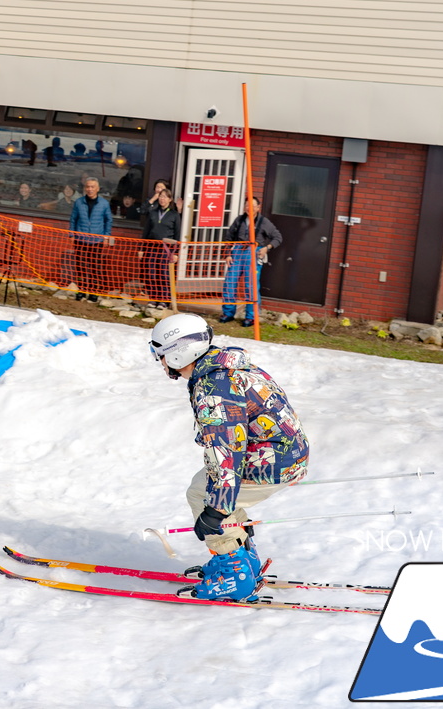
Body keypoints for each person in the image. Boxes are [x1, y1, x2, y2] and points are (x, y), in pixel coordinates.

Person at [148, 313, 310, 601]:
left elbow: (227, 451)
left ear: (178, 353)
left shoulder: (214, 388)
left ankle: (234, 573)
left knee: (204, 497)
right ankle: (243, 559)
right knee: (206, 488)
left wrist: (218, 509)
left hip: (270, 460)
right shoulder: (226, 367)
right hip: (281, 453)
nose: (159, 362)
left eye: (160, 354)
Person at [219, 196, 283, 327]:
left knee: (251, 286)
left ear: (258, 207)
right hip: (237, 252)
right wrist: (227, 254)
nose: (250, 208)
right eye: (247, 205)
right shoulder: (239, 220)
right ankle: (228, 313)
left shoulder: (264, 222)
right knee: (230, 283)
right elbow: (228, 238)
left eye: (253, 205)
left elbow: (277, 237)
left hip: (254, 253)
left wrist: (267, 248)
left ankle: (251, 316)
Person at [69, 177, 111, 302]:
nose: (90, 189)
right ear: (84, 188)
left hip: (97, 240)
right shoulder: (78, 202)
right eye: (88, 186)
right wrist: (71, 234)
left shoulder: (104, 204)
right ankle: (81, 290)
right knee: (80, 266)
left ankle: (93, 292)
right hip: (80, 239)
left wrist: (106, 236)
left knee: (94, 267)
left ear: (97, 189)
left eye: (93, 187)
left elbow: (108, 220)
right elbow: (73, 219)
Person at [139, 185, 180, 307]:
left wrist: (176, 252)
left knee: (163, 274)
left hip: (166, 249)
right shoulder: (153, 212)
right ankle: (153, 298)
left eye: (165, 197)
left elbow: (177, 234)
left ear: (170, 199)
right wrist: (141, 249)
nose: (162, 199)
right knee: (151, 273)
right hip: (152, 247)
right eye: (161, 196)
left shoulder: (174, 215)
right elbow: (146, 232)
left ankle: (164, 300)